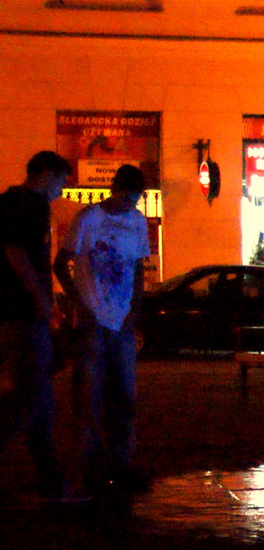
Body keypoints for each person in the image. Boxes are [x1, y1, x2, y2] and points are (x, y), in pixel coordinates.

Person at [59, 163, 150, 496]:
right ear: (118, 190)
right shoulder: (89, 219)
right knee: (89, 398)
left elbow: (139, 266)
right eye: (131, 195)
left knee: (124, 398)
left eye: (137, 197)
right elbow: (62, 261)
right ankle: (90, 470)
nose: (133, 203)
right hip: (93, 319)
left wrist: (135, 309)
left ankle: (120, 466)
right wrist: (79, 304)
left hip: (121, 319)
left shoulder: (137, 221)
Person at [0, 150, 73, 500]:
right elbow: (16, 253)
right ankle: (53, 484)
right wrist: (43, 302)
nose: (62, 189)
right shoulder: (29, 204)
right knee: (34, 397)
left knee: (41, 405)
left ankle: (54, 483)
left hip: (18, 314)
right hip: (24, 315)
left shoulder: (10, 201)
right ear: (45, 174)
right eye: (60, 181)